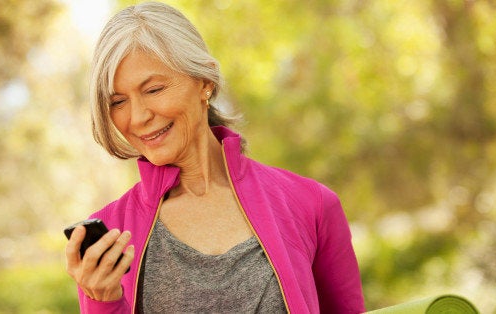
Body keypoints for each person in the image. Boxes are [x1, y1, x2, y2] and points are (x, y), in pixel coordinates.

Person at [65, 2, 365, 313]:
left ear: (205, 82)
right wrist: (101, 302)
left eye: (154, 89)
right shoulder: (109, 237)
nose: (138, 116)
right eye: (118, 101)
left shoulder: (311, 204)